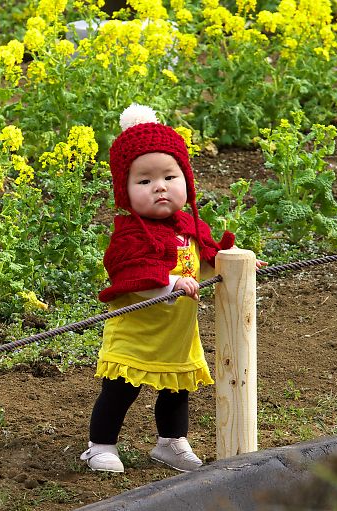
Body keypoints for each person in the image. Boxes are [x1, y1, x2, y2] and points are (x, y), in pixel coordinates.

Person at [80, 104, 263, 473]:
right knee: (119, 391)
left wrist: (234, 264)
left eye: (169, 176)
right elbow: (130, 275)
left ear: (187, 180)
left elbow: (207, 262)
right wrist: (170, 283)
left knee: (177, 391)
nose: (159, 187)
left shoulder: (190, 225)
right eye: (144, 181)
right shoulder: (130, 234)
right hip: (136, 333)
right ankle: (100, 446)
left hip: (178, 333)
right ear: (125, 191)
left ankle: (171, 442)